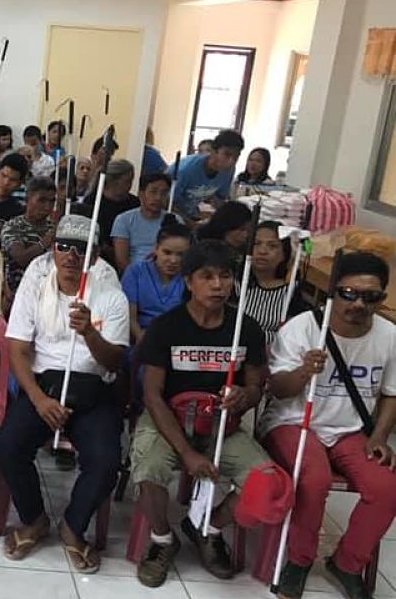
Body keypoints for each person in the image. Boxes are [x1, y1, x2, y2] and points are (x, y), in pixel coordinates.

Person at [131, 239, 270, 588]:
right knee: (148, 470)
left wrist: (245, 396)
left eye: (225, 276)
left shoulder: (246, 328)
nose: (218, 285)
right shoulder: (166, 327)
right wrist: (187, 452)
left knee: (265, 481)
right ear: (189, 282)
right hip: (168, 420)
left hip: (223, 424)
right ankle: (162, 539)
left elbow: (257, 387)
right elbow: (152, 395)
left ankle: (208, 528)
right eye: (207, 276)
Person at [0, 214, 129, 570]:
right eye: (64, 246)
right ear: (53, 250)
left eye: (81, 249)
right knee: (9, 444)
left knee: (106, 461)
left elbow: (115, 361)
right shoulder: (35, 286)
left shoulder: (111, 297)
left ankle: (73, 526)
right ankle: (34, 518)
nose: (71, 255)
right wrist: (39, 400)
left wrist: (90, 333)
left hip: (94, 389)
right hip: (45, 385)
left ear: (95, 257)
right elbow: (17, 349)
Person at [260, 252, 396, 599]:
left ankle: (347, 563)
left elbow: (392, 393)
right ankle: (299, 560)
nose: (359, 304)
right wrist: (304, 371)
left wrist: (380, 436)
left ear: (382, 297)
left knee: (386, 488)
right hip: (294, 422)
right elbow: (277, 389)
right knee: (314, 479)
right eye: (349, 293)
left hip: (350, 430)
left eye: (371, 296)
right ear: (334, 291)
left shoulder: (390, 335)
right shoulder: (303, 328)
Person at [120, 217, 191, 345]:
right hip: (142, 338)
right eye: (167, 252)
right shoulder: (135, 271)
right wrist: (141, 337)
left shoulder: (191, 276)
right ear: (156, 248)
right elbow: (129, 316)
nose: (173, 260)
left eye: (181, 255)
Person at [243, 221, 308, 345]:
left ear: (284, 254)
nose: (262, 251)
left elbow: (294, 335)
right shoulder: (235, 284)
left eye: (272, 246)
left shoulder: (290, 290)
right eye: (256, 244)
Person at [73, 159, 139, 270]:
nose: (130, 185)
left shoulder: (135, 203)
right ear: (113, 181)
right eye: (127, 181)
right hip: (99, 259)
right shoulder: (92, 202)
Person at [0, 177, 56, 306]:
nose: (47, 207)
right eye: (42, 200)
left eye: (51, 201)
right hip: (17, 293)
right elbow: (21, 258)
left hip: (48, 293)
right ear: (27, 200)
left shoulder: (54, 228)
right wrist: (47, 240)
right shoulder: (13, 226)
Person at [169, 130, 244, 225]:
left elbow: (219, 199)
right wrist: (191, 224)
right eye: (227, 154)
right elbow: (167, 202)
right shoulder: (185, 170)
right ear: (213, 151)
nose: (232, 161)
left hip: (192, 215)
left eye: (236, 157)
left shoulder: (229, 171)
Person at [112, 172, 176, 272]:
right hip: (135, 273)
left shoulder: (174, 220)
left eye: (164, 193)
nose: (158, 197)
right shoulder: (123, 220)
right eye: (153, 192)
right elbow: (122, 262)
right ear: (141, 194)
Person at [0, 153, 29, 247]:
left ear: (19, 184)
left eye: (13, 180)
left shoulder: (17, 212)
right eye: (3, 175)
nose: (6, 182)